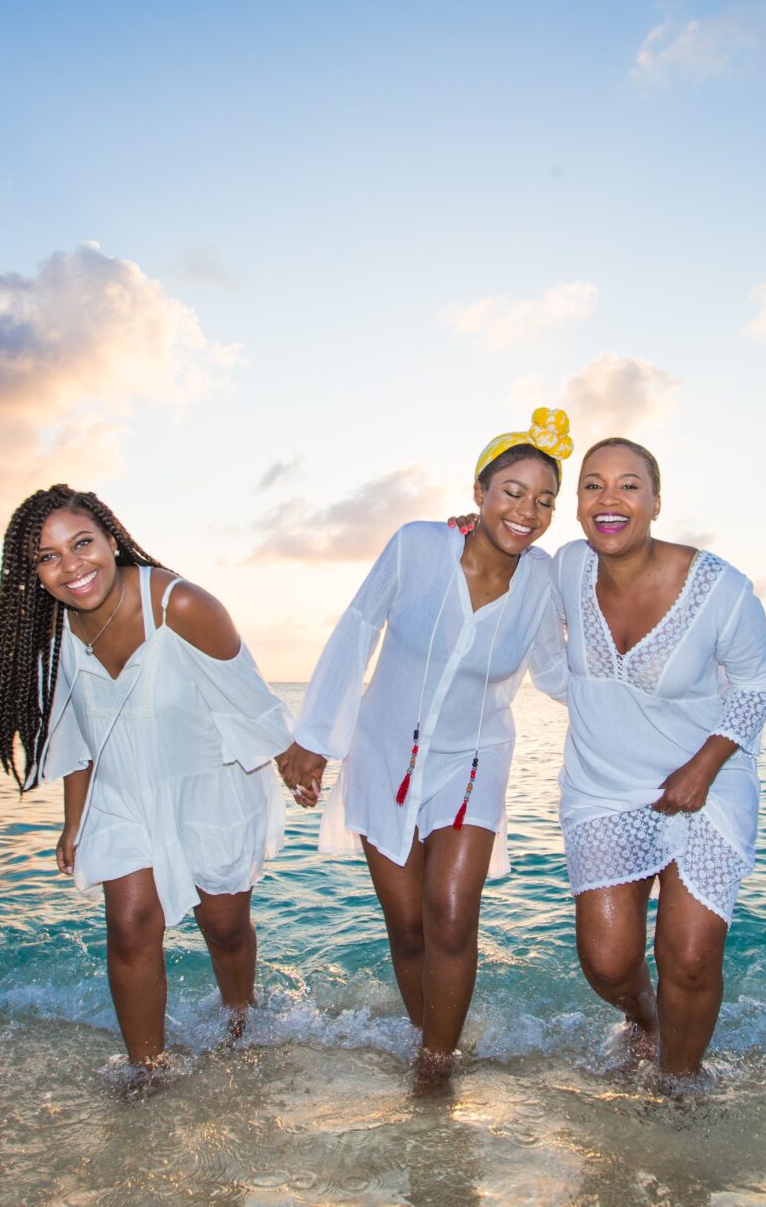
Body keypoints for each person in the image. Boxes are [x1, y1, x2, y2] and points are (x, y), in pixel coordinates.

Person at [277, 408, 574, 1082]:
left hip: (476, 756)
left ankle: (437, 1067)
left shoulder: (544, 579)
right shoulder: (415, 546)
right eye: (513, 491)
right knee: (408, 925)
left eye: (545, 501)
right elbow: (357, 629)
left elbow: (557, 671)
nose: (527, 511)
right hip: (385, 754)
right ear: (479, 492)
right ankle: (426, 1034)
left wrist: (644, 705)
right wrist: (316, 740)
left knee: (448, 912)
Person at [0, 484, 295, 1067]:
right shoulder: (55, 634)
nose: (71, 567)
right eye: (48, 557)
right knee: (129, 928)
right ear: (33, 573)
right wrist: (73, 823)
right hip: (122, 793)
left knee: (224, 930)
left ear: (111, 540)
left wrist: (297, 761)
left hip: (210, 786)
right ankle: (145, 1071)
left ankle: (241, 1022)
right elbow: (82, 735)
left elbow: (253, 705)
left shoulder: (183, 605)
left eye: (82, 544)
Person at [551, 437, 766, 1079]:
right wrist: (470, 529)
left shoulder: (719, 588)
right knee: (606, 962)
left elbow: (760, 682)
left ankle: (679, 1085)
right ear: (577, 506)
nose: (610, 499)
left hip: (705, 778)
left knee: (689, 954)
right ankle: (648, 1021)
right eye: (593, 485)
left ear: (655, 501)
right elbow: (501, 566)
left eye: (628, 484)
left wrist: (704, 765)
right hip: (603, 785)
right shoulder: (566, 568)